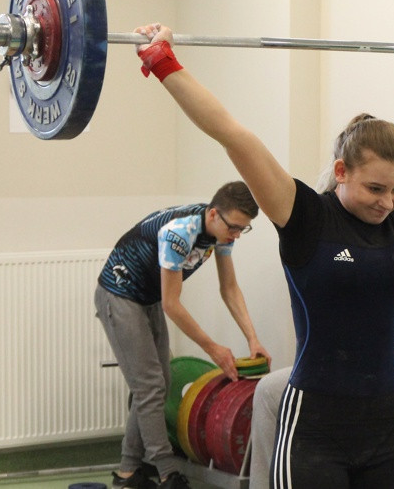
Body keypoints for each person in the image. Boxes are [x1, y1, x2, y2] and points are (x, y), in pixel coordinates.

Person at [133, 22, 394, 489]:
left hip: (389, 420)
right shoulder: (303, 216)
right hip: (315, 422)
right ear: (340, 172)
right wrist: (162, 60)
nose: (389, 201)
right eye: (375, 188)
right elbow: (231, 133)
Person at [248, 211, 394, 488]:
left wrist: (359, 375)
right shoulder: (375, 264)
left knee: (349, 412)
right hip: (352, 373)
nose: (386, 216)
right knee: (269, 390)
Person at [95, 181, 271, 489]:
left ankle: (127, 472)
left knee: (157, 381)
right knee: (150, 385)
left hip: (146, 297)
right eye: (235, 228)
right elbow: (173, 304)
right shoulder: (180, 233)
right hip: (119, 294)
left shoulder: (221, 233)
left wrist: (252, 338)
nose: (237, 235)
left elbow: (229, 288)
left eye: (244, 229)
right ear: (214, 214)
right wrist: (213, 348)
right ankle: (167, 472)